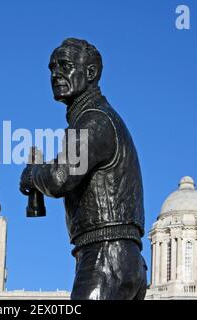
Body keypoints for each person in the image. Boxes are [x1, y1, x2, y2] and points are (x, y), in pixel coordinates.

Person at [19, 38, 147, 300]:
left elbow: (58, 178)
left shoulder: (94, 120)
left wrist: (32, 174)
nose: (56, 74)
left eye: (65, 66)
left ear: (91, 73)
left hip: (105, 257)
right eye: (52, 68)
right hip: (121, 258)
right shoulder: (93, 118)